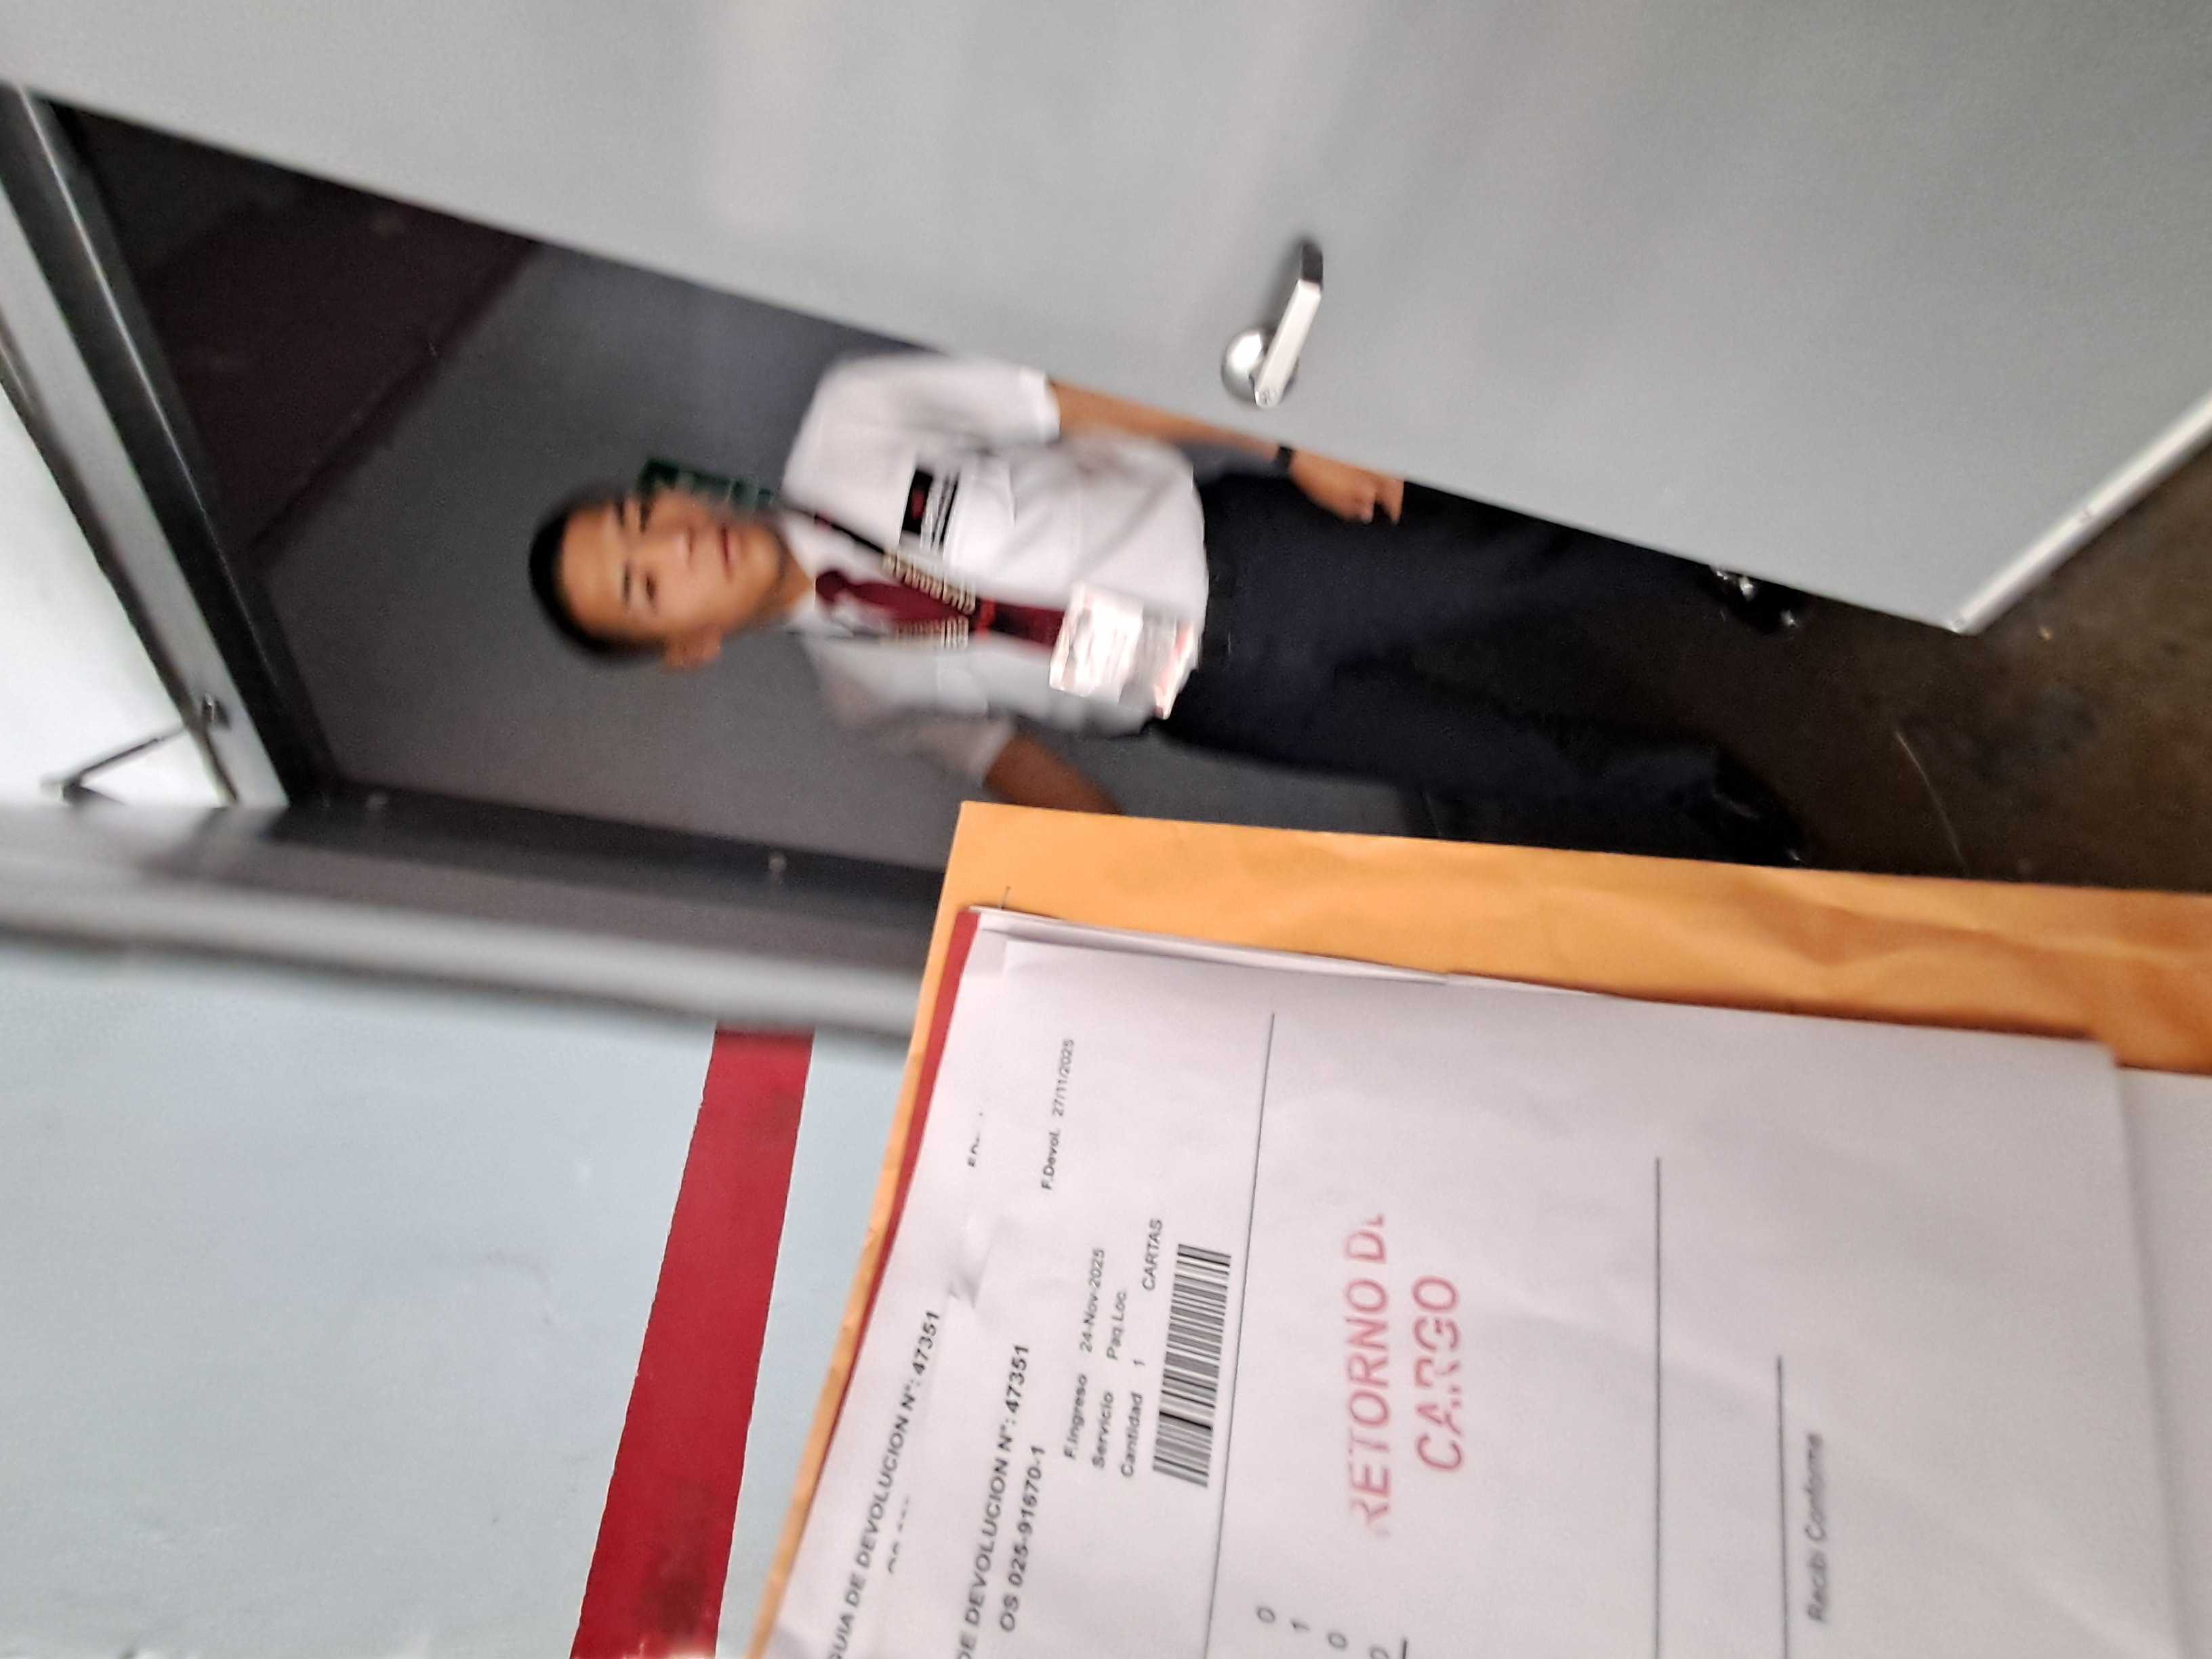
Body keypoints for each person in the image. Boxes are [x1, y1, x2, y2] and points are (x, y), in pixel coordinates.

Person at [527, 352, 1803, 863]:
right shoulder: (860, 693)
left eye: (640, 518)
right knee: (1483, 757)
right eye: (646, 582)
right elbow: (1012, 759)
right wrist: (1141, 878)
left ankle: (1708, 563)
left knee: (1502, 569)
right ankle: (1691, 789)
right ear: (687, 645)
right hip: (1214, 706)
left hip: (1241, 555)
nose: (674, 541)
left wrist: (1282, 442)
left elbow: (1071, 400)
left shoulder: (849, 421)